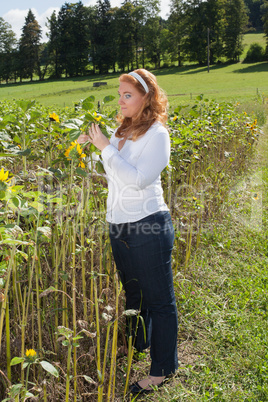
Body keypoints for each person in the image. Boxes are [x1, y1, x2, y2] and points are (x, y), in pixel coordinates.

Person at [78, 69, 178, 394]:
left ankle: (162, 370)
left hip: (148, 226)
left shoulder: (157, 134)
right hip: (118, 225)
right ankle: (136, 344)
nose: (120, 101)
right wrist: (90, 149)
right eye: (119, 94)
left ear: (146, 98)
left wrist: (105, 146)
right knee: (134, 293)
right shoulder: (123, 130)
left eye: (127, 95)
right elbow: (113, 173)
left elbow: (137, 179)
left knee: (160, 300)